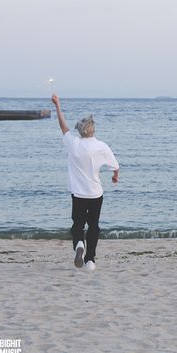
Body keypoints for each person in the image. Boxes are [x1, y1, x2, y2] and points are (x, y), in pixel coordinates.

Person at [52, 95, 120, 271]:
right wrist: (115, 176)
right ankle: (90, 260)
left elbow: (63, 126)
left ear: (80, 131)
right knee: (94, 226)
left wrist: (58, 105)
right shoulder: (101, 146)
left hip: (79, 194)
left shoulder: (73, 144)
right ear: (93, 130)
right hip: (96, 193)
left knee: (78, 225)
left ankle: (79, 245)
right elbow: (115, 165)